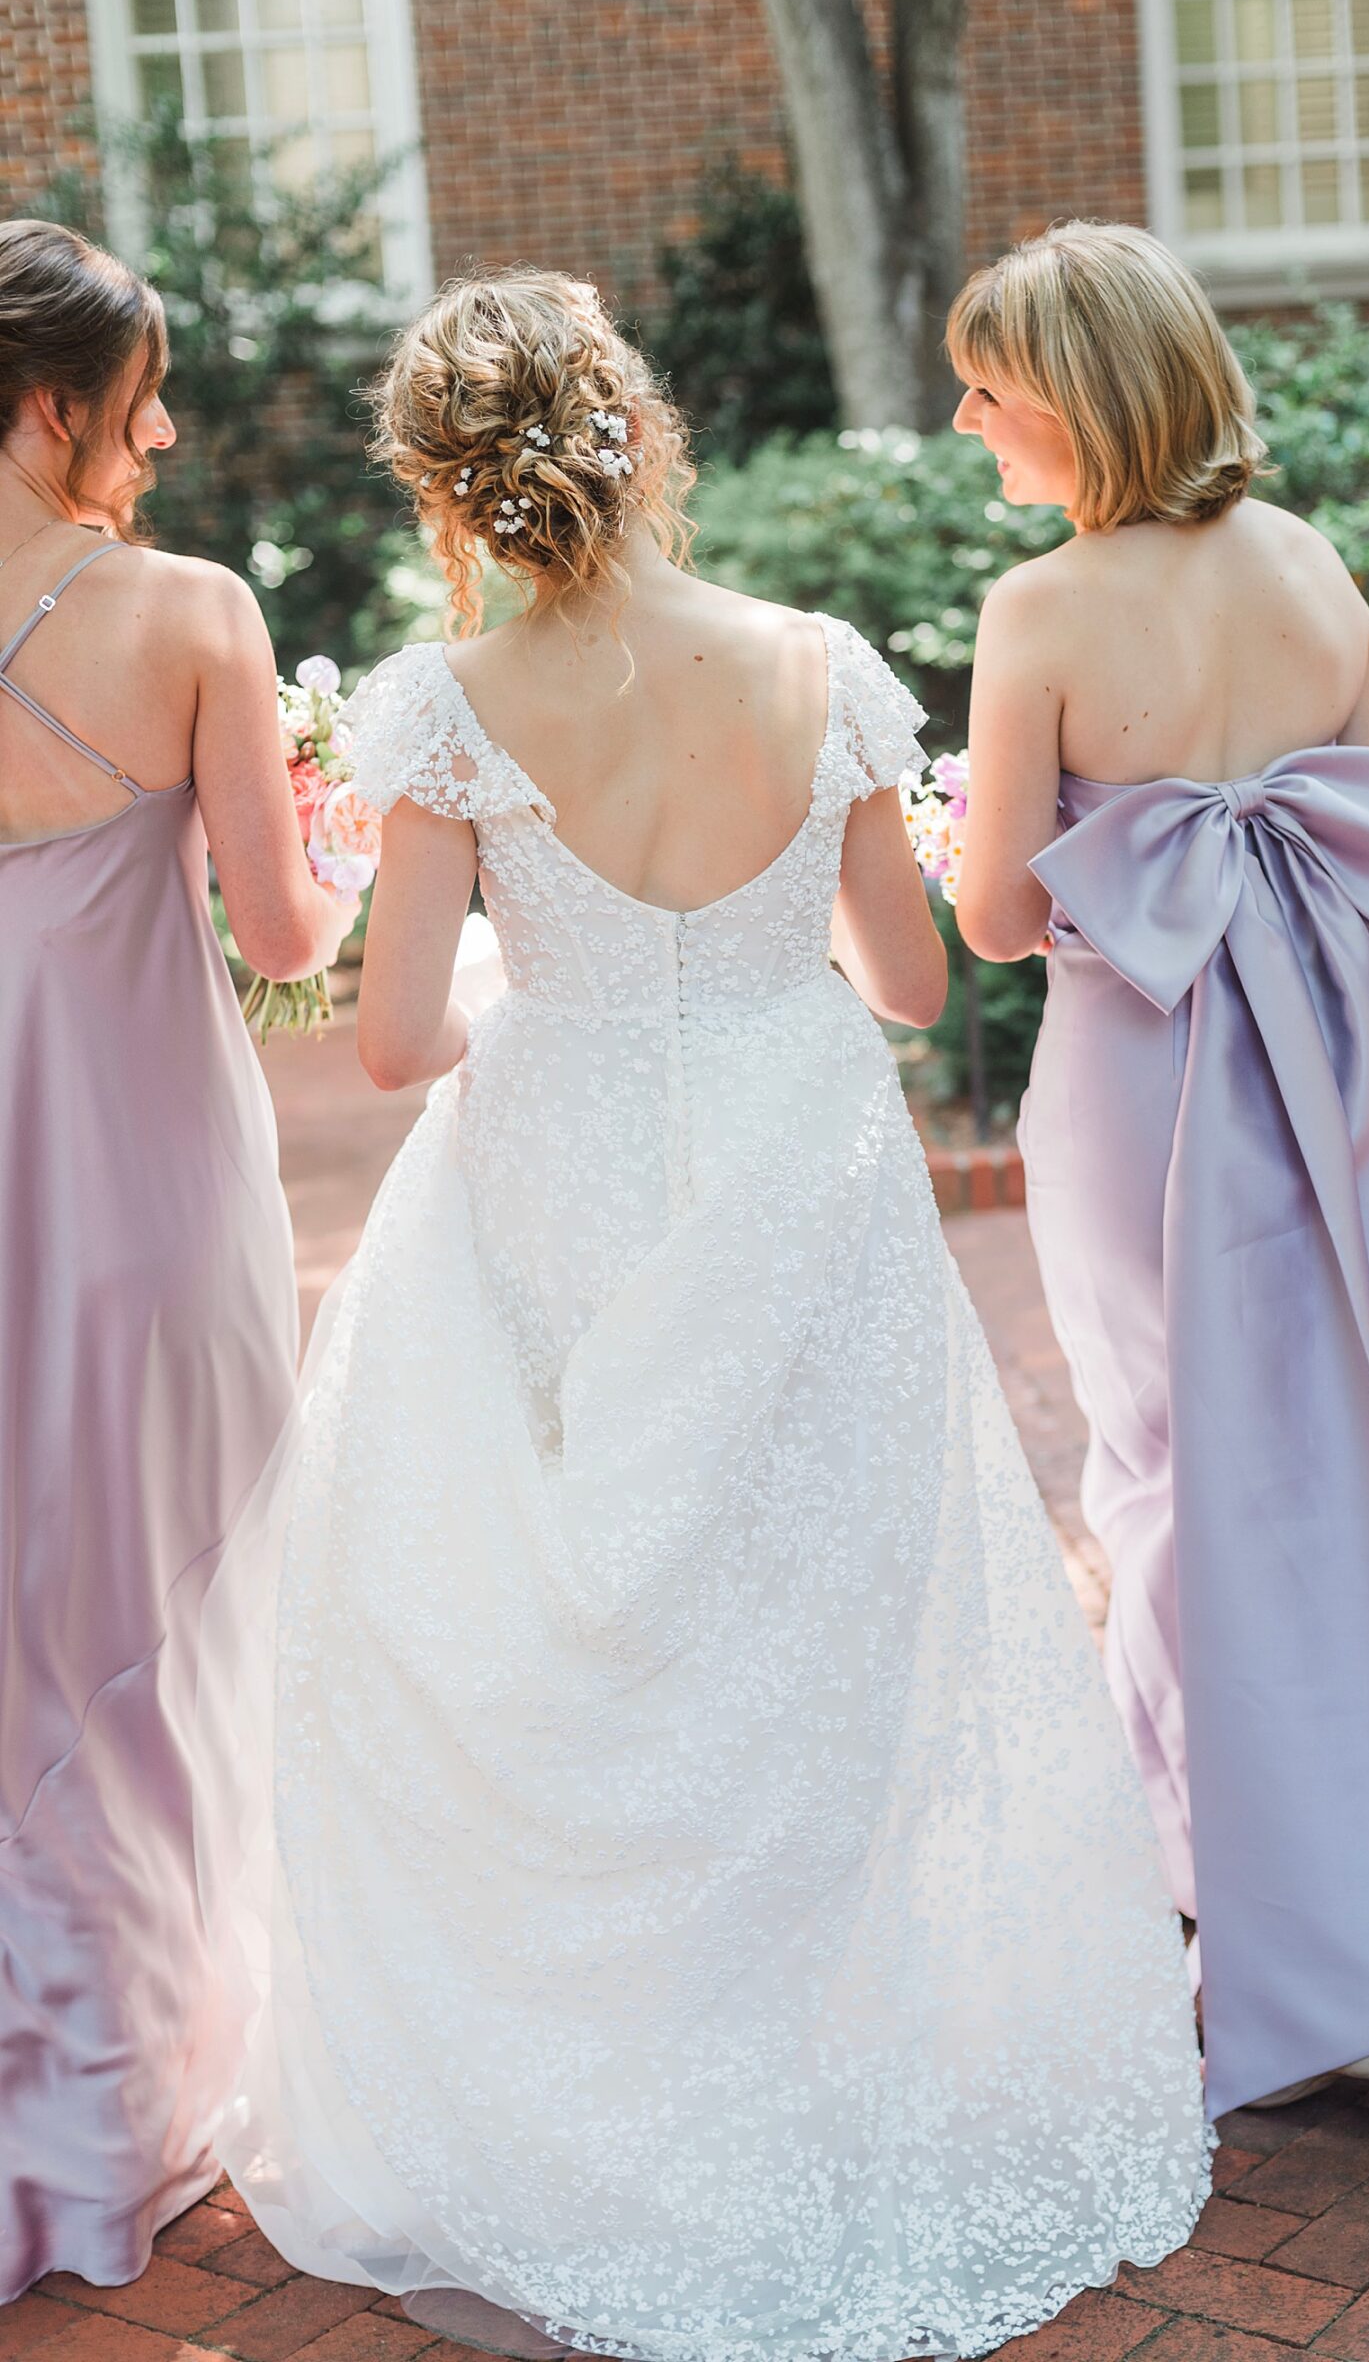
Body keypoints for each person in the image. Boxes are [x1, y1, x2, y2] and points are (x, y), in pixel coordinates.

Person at [191, 269, 1209, 2360]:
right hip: (793, 1167)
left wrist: (520, 987)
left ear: (450, 482)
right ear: (636, 430)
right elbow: (920, 989)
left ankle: (599, 2080)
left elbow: (388, 1046)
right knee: (797, 1615)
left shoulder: (449, 696)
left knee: (560, 1634)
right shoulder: (812, 664)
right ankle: (795, 2055)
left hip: (552, 1168)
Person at [951, 220, 1369, 2124]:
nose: (965, 418)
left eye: (990, 387)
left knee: (1162, 1475)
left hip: (1143, 1063)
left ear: (1079, 398)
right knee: (1367, 1461)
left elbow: (984, 920)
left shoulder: (1037, 615)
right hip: (1340, 1056)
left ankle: (1229, 1916)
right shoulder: (1307, 569)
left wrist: (1063, 854)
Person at [0, 220, 353, 2301]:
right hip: (141, 1174)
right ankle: (129, 2094)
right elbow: (289, 939)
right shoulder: (189, 612)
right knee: (150, 1602)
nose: (165, 438)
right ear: (57, 407)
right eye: (142, 406)